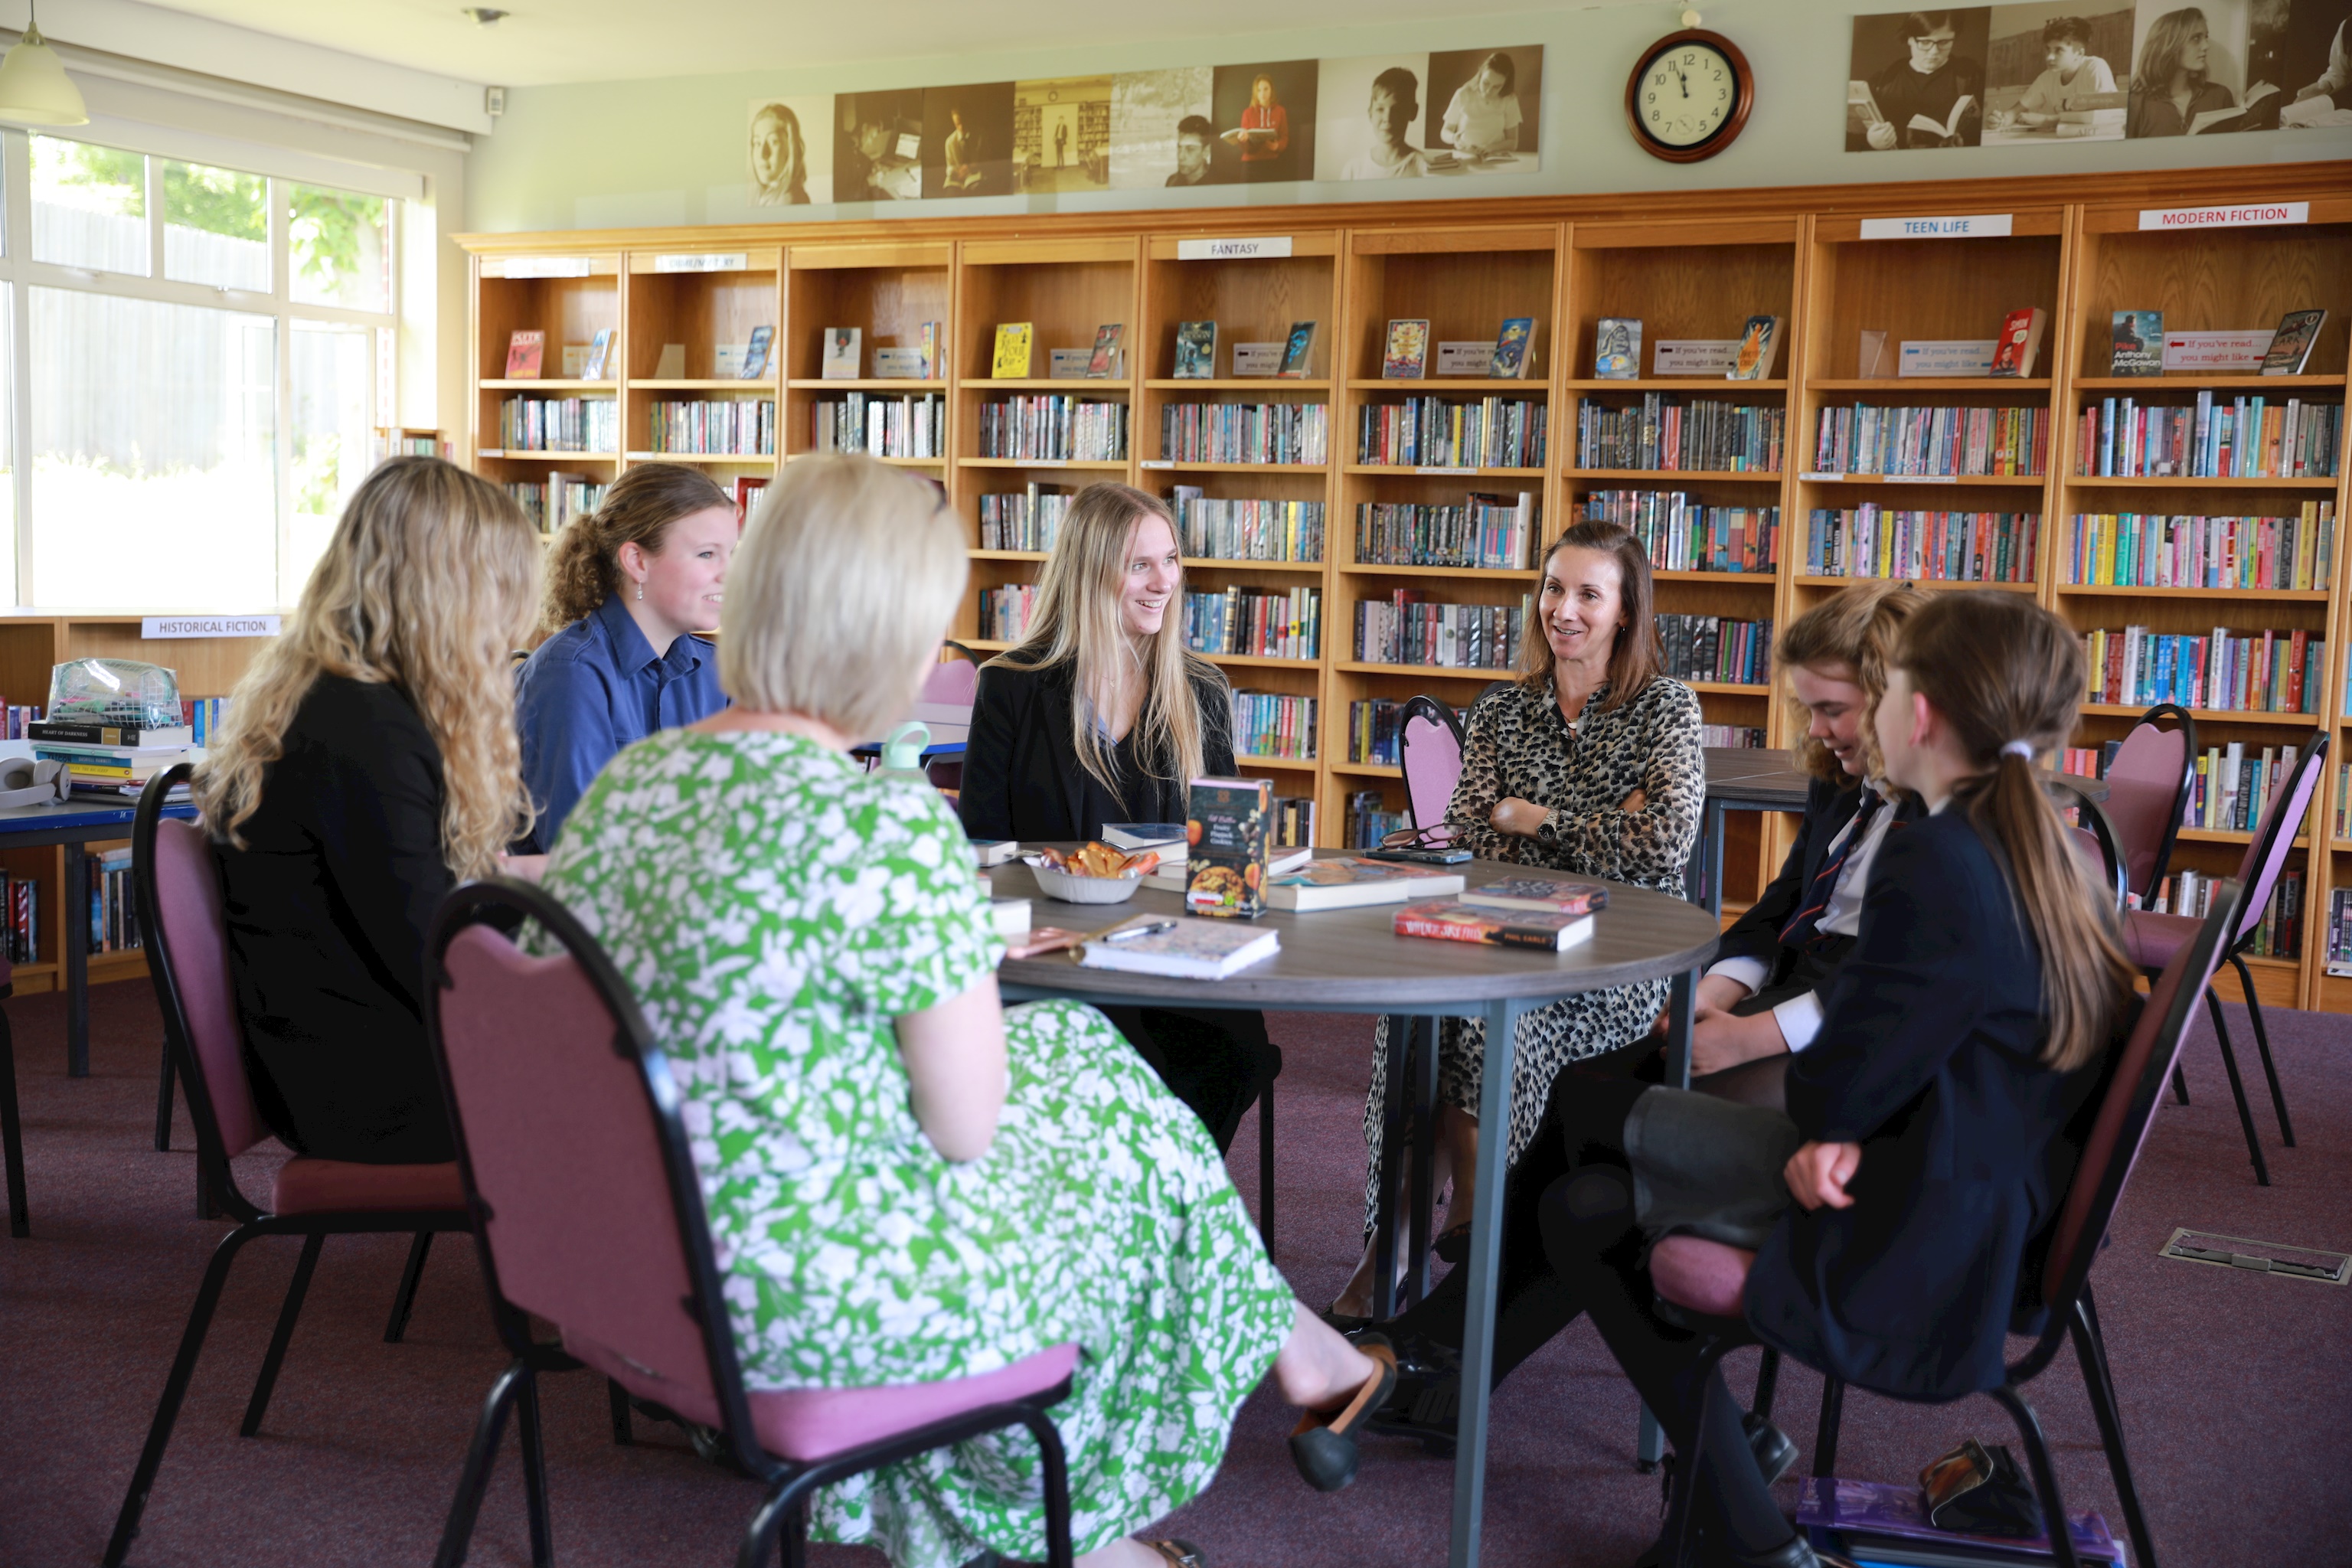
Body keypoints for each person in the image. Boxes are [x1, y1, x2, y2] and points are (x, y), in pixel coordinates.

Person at [534, 454, 1391, 1568]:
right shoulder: (881, 835)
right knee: (1122, 1155)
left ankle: (1275, 1379)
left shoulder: (630, 793)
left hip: (630, 1257)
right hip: (799, 1304)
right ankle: (1118, 1507)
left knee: (1081, 1054)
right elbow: (962, 1129)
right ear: (887, 633)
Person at [1536, 590, 2133, 1568]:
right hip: (1978, 1199)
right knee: (1591, 1189)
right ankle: (1731, 1502)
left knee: (1587, 1184)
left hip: (1910, 1227)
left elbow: (1831, 1084)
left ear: (1923, 712)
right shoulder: (2050, 850)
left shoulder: (1935, 854)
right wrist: (1845, 1117)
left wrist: (1838, 1126)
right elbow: (1922, 1050)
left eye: (1885, 685)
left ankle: (1741, 1520)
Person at [1328, 520, 1704, 1325]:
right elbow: (1470, 831)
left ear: (1627, 613)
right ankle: (1430, 1234)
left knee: (1491, 1014)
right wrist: (1594, 821)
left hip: (1612, 960)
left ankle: (1436, 1244)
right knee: (1426, 1012)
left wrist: (1530, 815)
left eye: (1588, 595)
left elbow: (1666, 837)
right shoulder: (1504, 708)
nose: (1563, 610)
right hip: (1500, 927)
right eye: (1553, 588)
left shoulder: (1666, 706)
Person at [201, 457, 540, 1164]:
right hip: (372, 1087)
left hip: (359, 1051)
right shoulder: (360, 730)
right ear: (451, 589)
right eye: (505, 584)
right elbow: (429, 950)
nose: (516, 616)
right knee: (666, 1084)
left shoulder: (345, 702)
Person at [960, 482, 1275, 1155]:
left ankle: (1162, 1214)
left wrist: (1237, 862)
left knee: (1240, 1050)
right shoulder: (1012, 685)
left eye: (1171, 560)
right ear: (1090, 571)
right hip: (1059, 959)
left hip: (1171, 958)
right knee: (1122, 1061)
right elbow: (980, 850)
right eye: (1140, 565)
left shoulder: (1201, 690)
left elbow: (1226, 851)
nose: (1164, 581)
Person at [1679, 583, 1929, 1083]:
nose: (1815, 730)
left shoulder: (1948, 817)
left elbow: (1904, 977)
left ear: (1899, 701)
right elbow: (1787, 899)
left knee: (1630, 1102)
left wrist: (1750, 1037)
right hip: (1796, 987)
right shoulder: (1839, 783)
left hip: (1862, 1027)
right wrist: (1717, 990)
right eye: (1810, 709)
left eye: (1833, 710)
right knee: (1593, 1082)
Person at [513, 462, 733, 854]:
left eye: (730, 554)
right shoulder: (570, 674)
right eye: (706, 554)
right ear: (637, 562)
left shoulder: (721, 672)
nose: (728, 574)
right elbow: (580, 855)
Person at [1861, 11, 1985, 147]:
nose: (1934, 52)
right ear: (1910, 38)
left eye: (1944, 42)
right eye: (1925, 42)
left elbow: (1982, 133)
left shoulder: (1973, 77)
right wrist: (1871, 141)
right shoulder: (1882, 82)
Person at [1992, 16, 2122, 135]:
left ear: (2079, 53)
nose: (2049, 57)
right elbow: (2015, 112)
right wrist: (2001, 119)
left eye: (2059, 50)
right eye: (2048, 49)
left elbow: (2106, 115)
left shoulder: (2095, 67)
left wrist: (2048, 120)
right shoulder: (2046, 77)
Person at [2126, 8, 2238, 136]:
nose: (2206, 46)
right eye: (2196, 38)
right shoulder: (2136, 104)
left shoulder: (2220, 96)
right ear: (2170, 44)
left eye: (2206, 37)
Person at [1340, 66, 1427, 178]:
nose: (1388, 118)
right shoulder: (1353, 169)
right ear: (1370, 113)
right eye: (1380, 109)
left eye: (1397, 110)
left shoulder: (1426, 168)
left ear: (1413, 112)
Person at [1440, 51, 1524, 158]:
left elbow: (1513, 143)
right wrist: (1454, 138)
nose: (1488, 91)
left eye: (1496, 87)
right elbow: (1444, 132)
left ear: (1505, 84)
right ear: (1480, 76)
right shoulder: (1463, 94)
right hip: (1464, 156)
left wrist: (1488, 148)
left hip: (1494, 157)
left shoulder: (1510, 99)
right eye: (1486, 83)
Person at [1224, 74, 1289, 172]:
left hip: (1272, 161)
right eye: (1259, 90)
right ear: (1255, 93)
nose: (1263, 93)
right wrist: (1243, 139)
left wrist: (1277, 146)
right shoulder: (1248, 113)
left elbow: (1284, 136)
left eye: (1266, 89)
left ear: (1272, 90)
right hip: (1251, 164)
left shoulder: (1280, 111)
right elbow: (1245, 147)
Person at [749, 102, 810, 205]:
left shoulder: (789, 200)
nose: (763, 154)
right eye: (757, 143)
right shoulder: (762, 196)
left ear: (790, 149)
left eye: (774, 142)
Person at [1167, 113, 1216, 185]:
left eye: (1190, 149)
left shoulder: (1217, 185)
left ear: (1206, 152)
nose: (1181, 156)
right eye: (1180, 148)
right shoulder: (1172, 182)